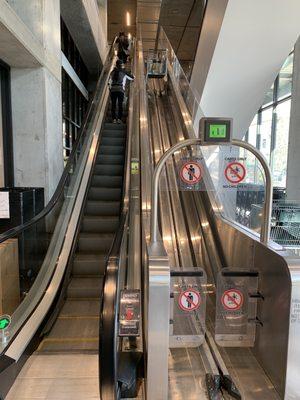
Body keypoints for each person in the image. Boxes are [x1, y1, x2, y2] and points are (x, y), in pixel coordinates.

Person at [109, 59, 134, 124]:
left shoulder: (112, 72)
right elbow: (132, 78)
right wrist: (133, 75)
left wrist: (110, 89)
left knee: (113, 105)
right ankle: (119, 119)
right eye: (122, 64)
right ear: (121, 65)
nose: (123, 65)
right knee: (120, 105)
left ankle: (114, 119)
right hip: (120, 90)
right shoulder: (124, 72)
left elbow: (109, 81)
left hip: (113, 90)